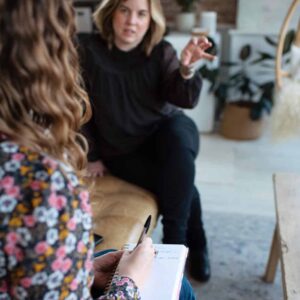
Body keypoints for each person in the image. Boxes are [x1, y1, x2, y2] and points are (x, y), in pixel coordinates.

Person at [0, 1, 155, 299]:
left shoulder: (159, 55)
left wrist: (80, 270)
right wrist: (129, 280)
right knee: (180, 288)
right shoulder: (42, 183)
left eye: (141, 14)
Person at [79, 0, 215, 282]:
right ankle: (195, 246)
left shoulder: (160, 51)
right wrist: (91, 154)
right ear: (111, 13)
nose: (132, 21)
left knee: (178, 138)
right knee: (183, 186)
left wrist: (186, 69)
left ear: (151, 20)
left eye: (142, 14)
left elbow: (183, 98)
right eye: (125, 11)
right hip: (122, 149)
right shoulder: (87, 51)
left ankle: (175, 244)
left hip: (166, 135)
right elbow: (79, 106)